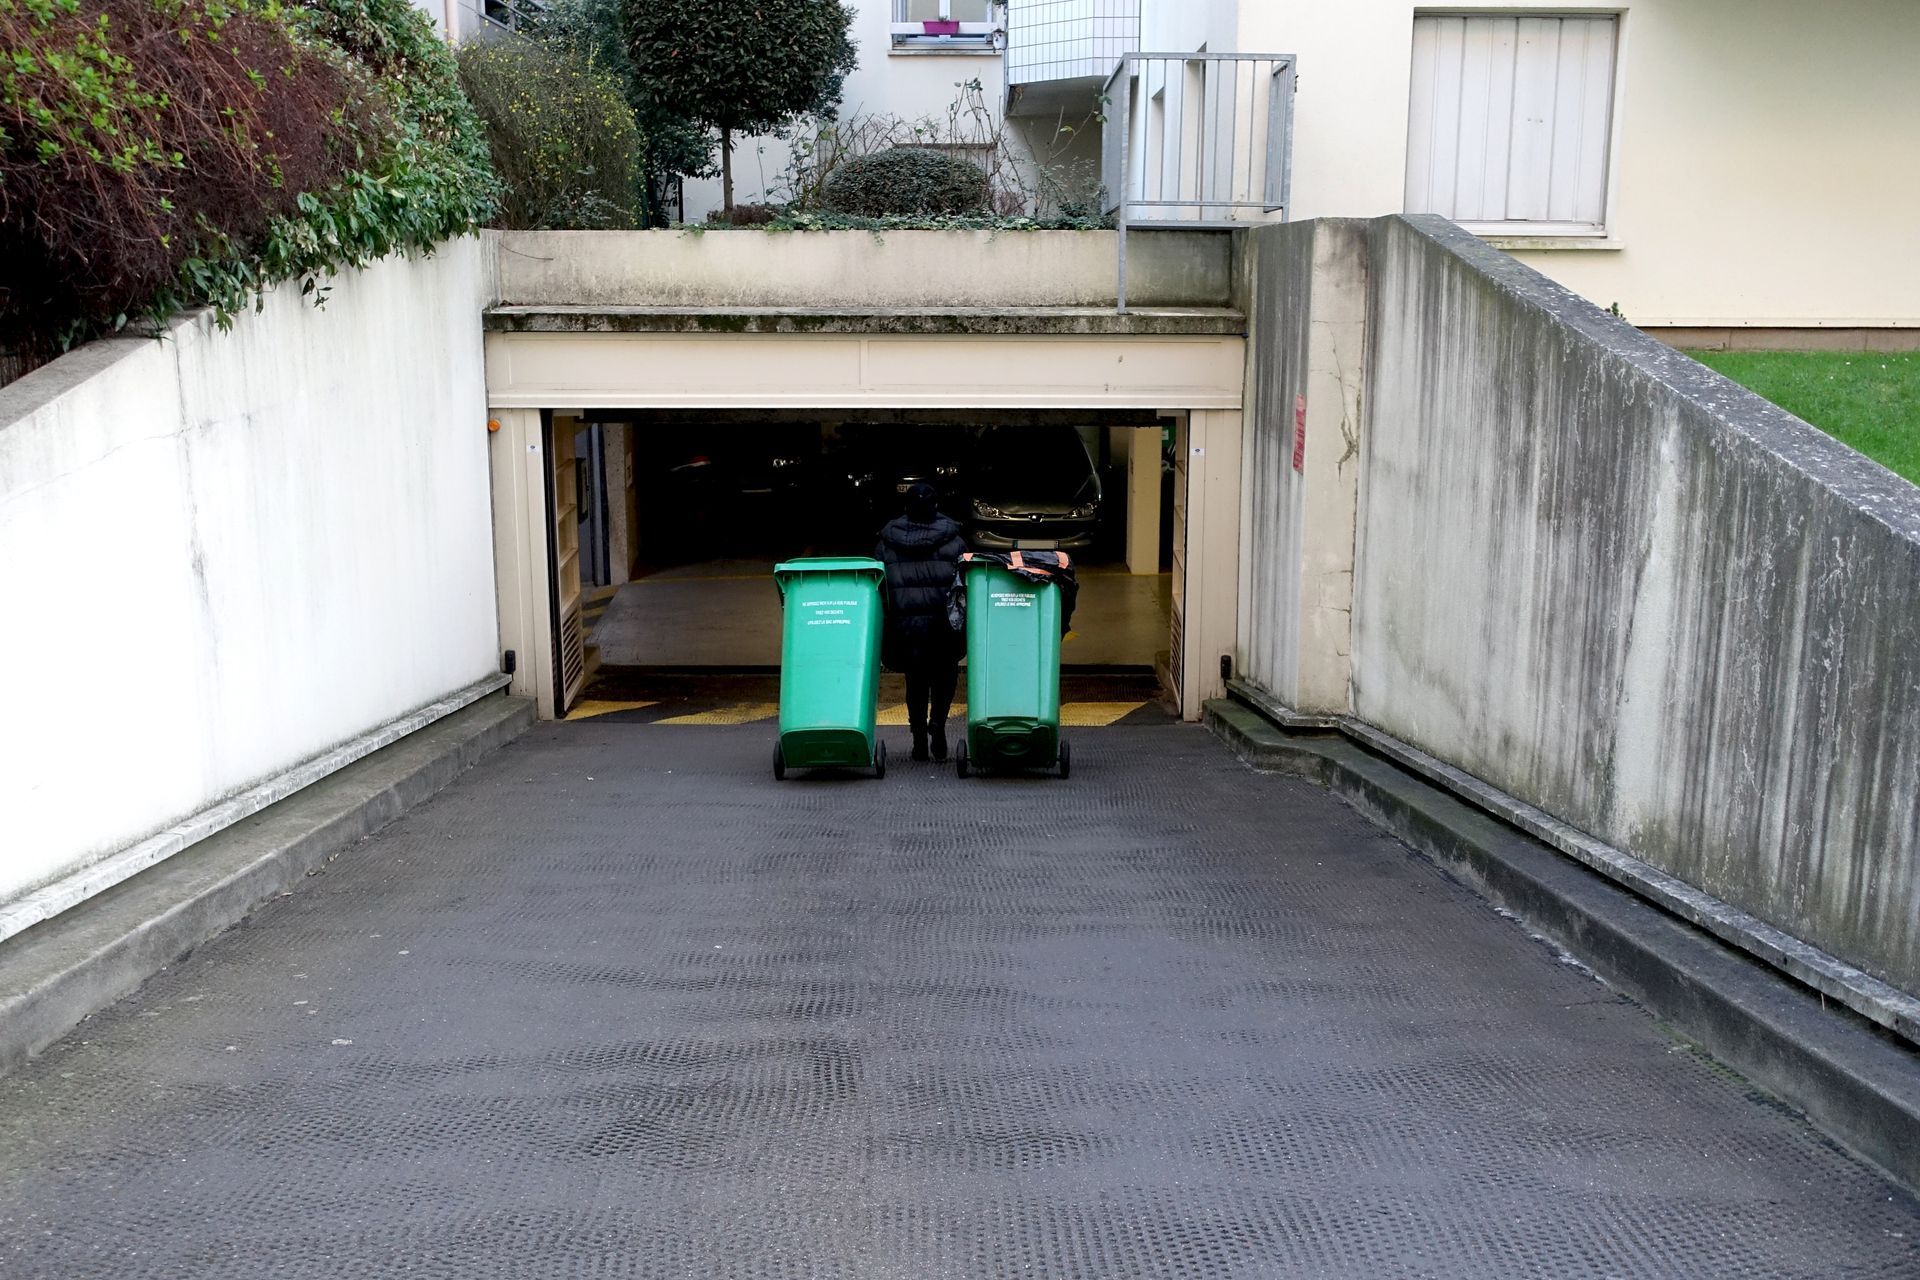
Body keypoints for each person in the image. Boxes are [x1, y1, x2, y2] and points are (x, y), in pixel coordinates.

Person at [876, 483, 966, 762]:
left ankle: (918, 739)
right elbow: (965, 586)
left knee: (915, 682)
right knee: (945, 678)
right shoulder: (955, 541)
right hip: (944, 626)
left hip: (906, 628)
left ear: (906, 507)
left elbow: (879, 588)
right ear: (936, 507)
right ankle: (937, 726)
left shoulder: (886, 543)